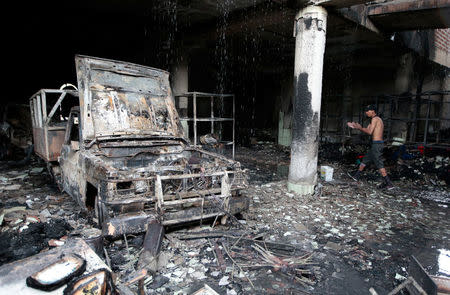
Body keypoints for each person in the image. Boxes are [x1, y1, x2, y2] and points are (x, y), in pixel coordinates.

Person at [347, 104, 394, 189]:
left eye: (367, 111)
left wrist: (360, 128)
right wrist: (356, 127)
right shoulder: (375, 119)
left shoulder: (375, 119)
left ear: (373, 111)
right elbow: (367, 129)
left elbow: (369, 132)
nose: (366, 112)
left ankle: (388, 183)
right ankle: (357, 176)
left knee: (379, 163)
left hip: (377, 144)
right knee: (366, 159)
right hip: (376, 144)